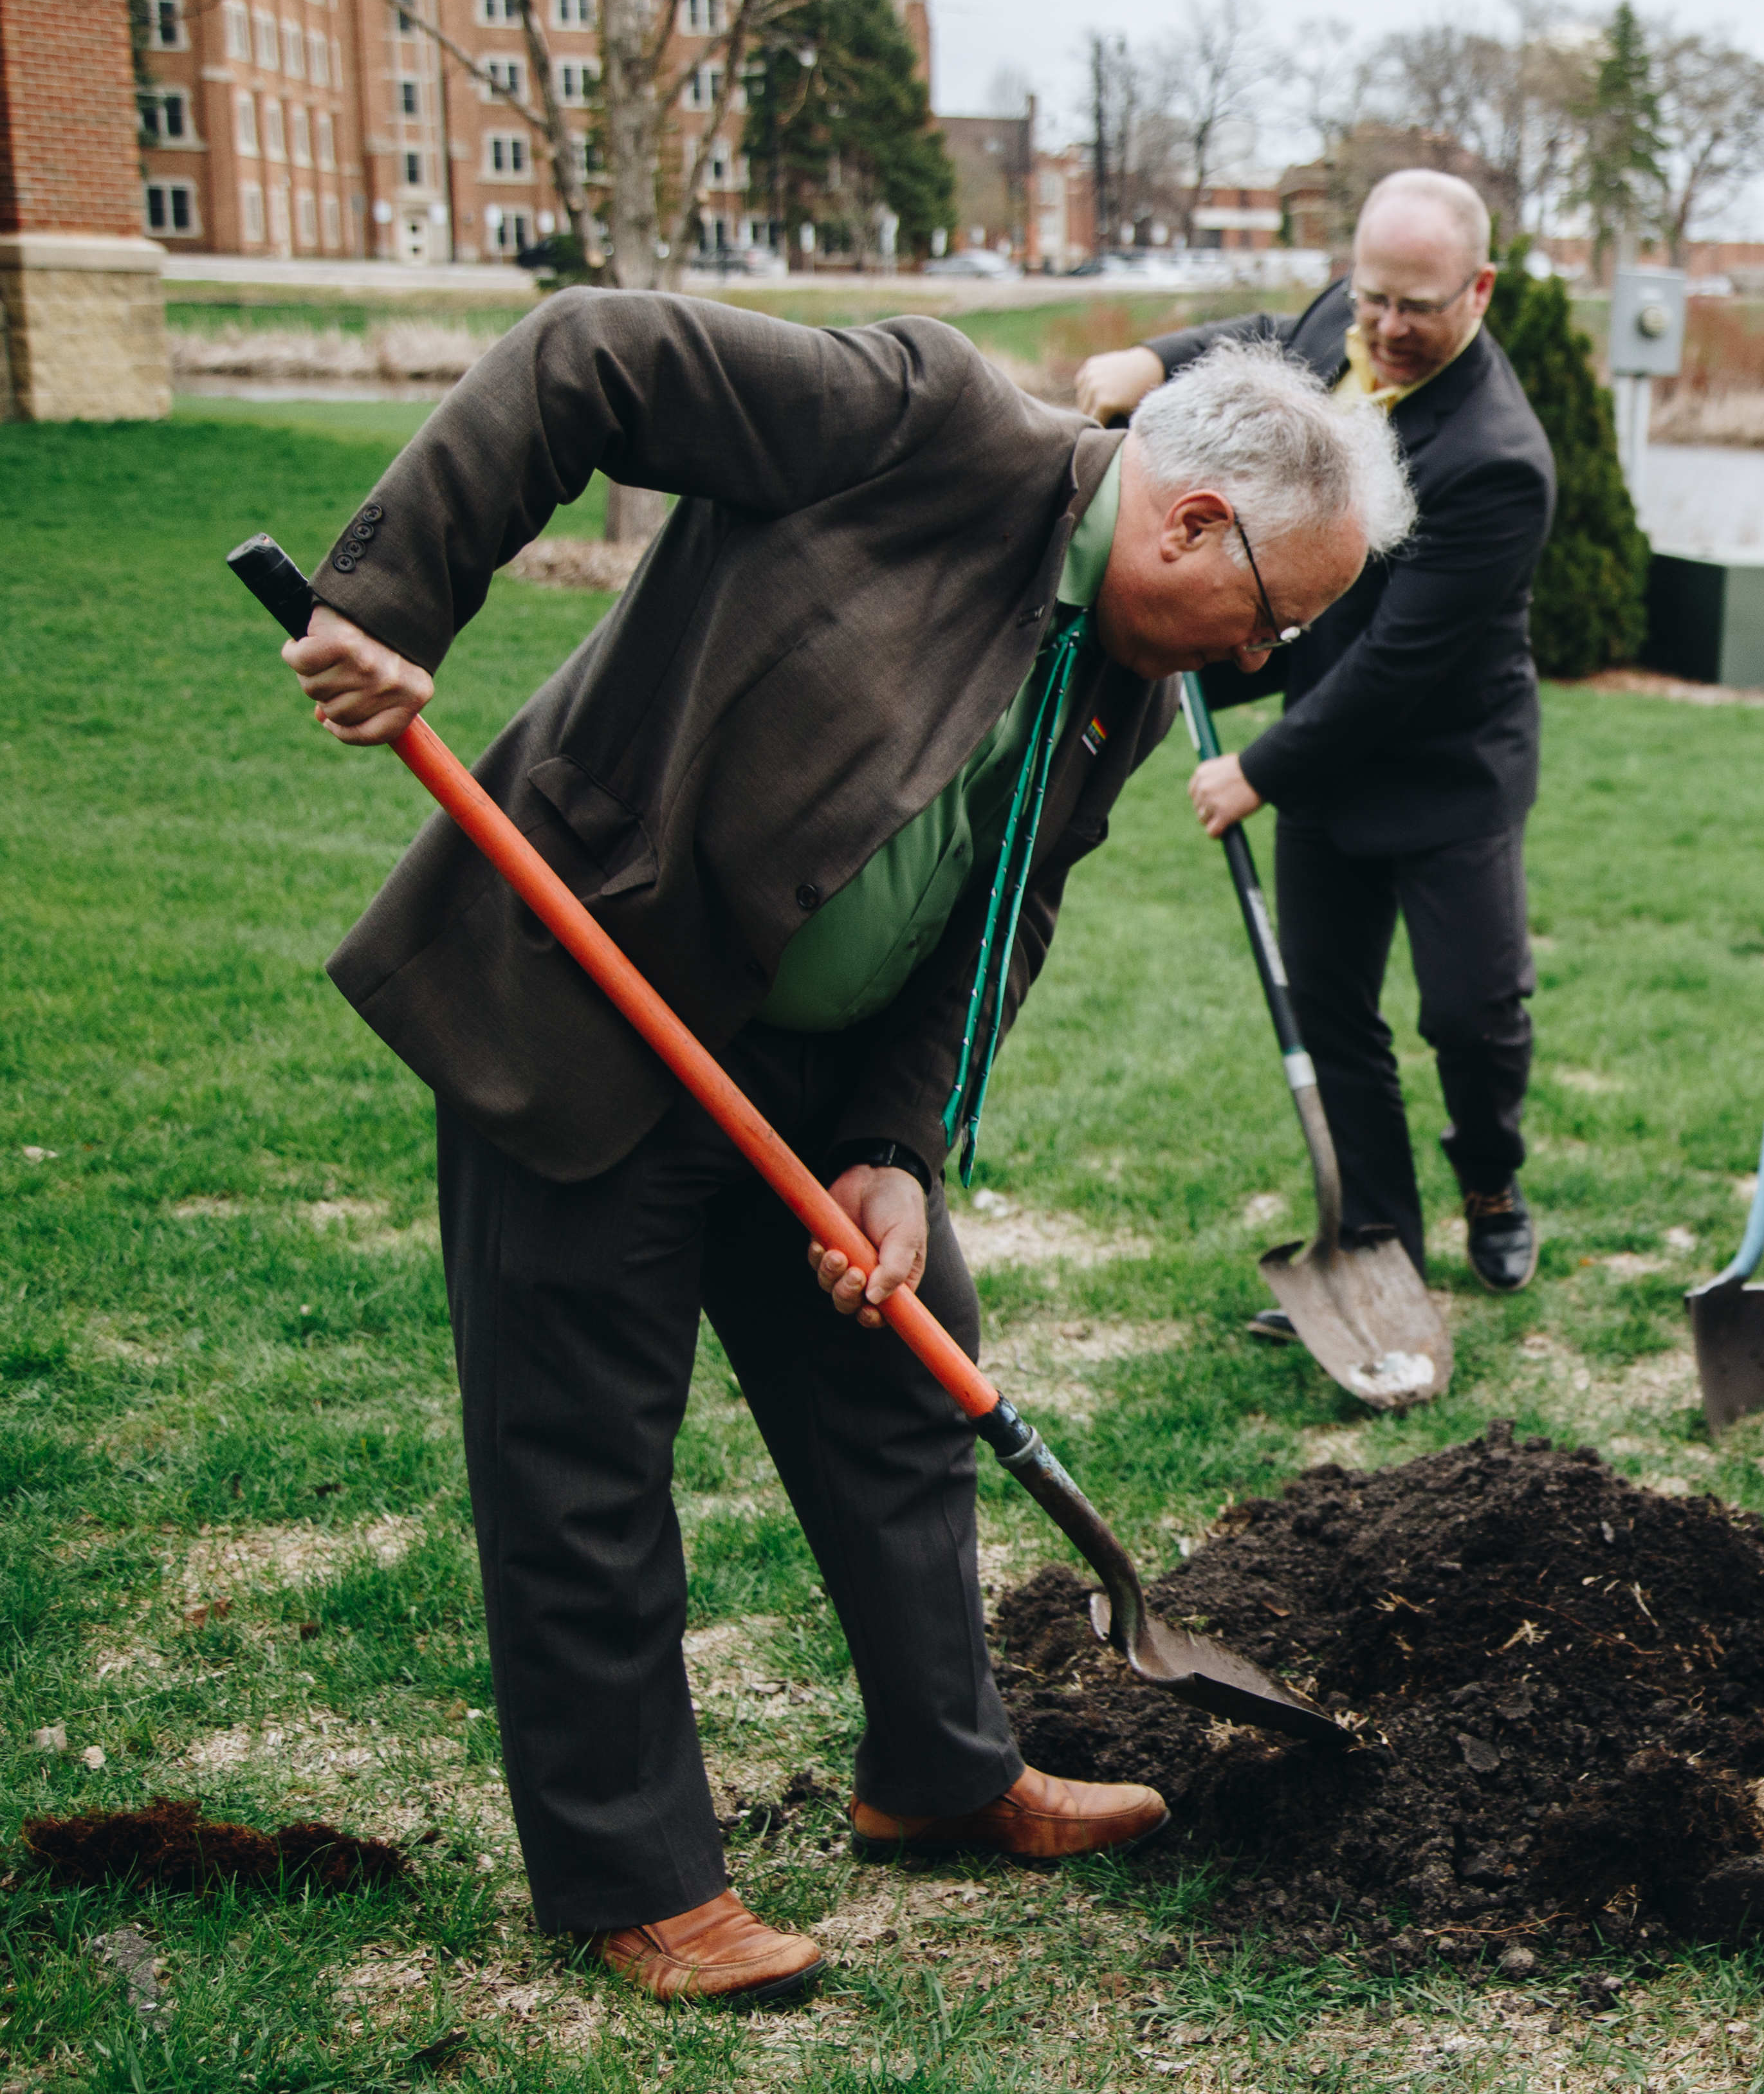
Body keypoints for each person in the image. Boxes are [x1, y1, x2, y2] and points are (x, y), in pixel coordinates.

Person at [274, 296, 1411, 2008]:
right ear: (1190, 516)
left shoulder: (1117, 666)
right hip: (605, 994)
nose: (1258, 664)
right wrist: (388, 599)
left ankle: (941, 1771)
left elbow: (1005, 897)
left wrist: (895, 1139)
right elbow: (590, 357)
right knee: (583, 1463)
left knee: (901, 1393)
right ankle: (636, 1878)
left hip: (819, 1076)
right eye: (1270, 616)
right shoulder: (918, 421)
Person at [1075, 169, 1557, 1300]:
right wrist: (1157, 359)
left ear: (1478, 290)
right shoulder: (1341, 329)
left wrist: (1256, 769)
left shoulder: (1496, 461)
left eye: (1418, 308)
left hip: (1448, 773)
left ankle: (1490, 1179)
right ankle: (1380, 1246)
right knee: (1331, 1014)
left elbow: (1394, 665)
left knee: (1471, 1015)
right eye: (1370, 296)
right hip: (1326, 766)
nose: (1384, 328)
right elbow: (1262, 336)